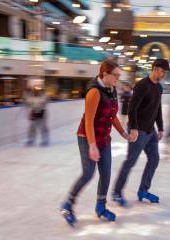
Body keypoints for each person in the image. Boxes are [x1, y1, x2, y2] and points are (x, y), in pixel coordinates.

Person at [60, 60, 129, 225]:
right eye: (115, 75)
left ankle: (101, 207)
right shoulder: (94, 92)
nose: (118, 79)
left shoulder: (112, 90)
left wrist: (123, 133)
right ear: (104, 74)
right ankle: (67, 204)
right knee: (88, 173)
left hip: (104, 137)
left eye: (119, 76)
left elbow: (112, 117)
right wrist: (92, 145)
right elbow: (88, 122)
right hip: (87, 136)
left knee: (106, 173)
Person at [112, 59, 170, 206]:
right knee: (131, 161)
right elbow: (132, 108)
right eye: (163, 71)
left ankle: (143, 190)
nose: (164, 74)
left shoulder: (158, 88)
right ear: (154, 69)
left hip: (150, 130)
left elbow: (157, 108)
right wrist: (133, 128)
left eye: (165, 72)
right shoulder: (142, 85)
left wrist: (161, 127)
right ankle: (117, 192)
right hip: (138, 130)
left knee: (154, 159)